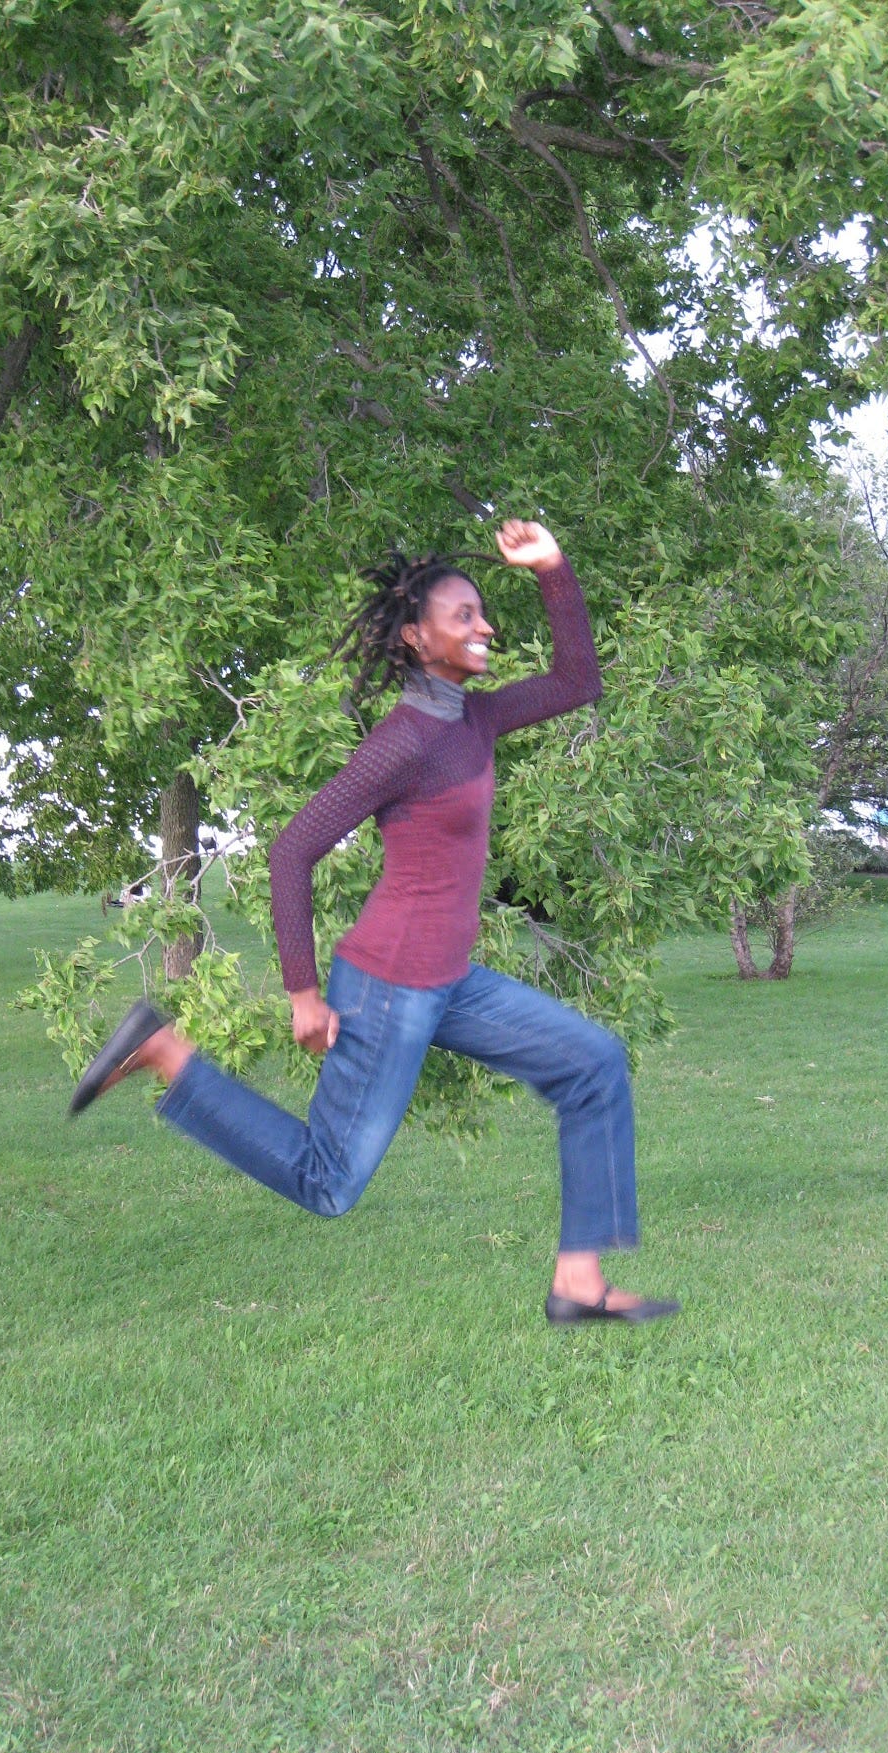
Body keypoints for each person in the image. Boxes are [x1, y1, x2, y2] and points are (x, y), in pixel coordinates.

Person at [69, 519, 678, 1326]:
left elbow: (578, 683)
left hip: (449, 980)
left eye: (482, 613)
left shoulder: (473, 720)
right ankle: (166, 1050)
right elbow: (292, 853)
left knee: (593, 1062)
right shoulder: (402, 744)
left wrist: (554, 568)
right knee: (328, 1181)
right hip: (389, 986)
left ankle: (578, 1283)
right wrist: (302, 992)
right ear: (419, 637)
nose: (484, 627)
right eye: (463, 616)